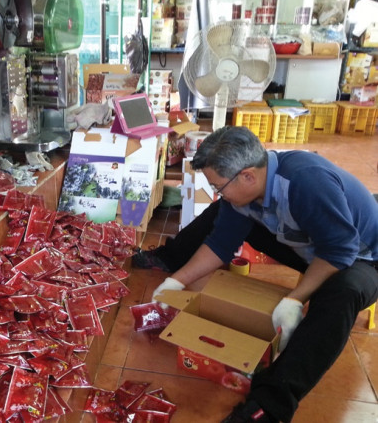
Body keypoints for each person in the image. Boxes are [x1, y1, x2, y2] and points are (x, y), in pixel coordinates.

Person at [136, 126, 378, 423]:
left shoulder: (306, 182)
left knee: (341, 294)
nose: (218, 193)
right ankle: (167, 259)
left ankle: (268, 407)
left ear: (247, 176)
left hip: (361, 259)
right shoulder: (248, 188)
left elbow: (340, 252)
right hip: (311, 247)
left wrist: (295, 299)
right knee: (221, 211)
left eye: (218, 187)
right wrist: (177, 282)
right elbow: (221, 244)